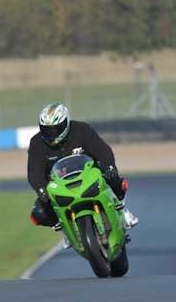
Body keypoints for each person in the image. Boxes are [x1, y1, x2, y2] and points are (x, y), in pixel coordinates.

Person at [28, 103, 138, 243]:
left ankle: (122, 210)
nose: (51, 134)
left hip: (89, 175)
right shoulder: (37, 142)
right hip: (60, 185)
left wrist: (109, 166)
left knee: (113, 177)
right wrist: (40, 188)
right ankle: (65, 229)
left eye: (56, 129)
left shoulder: (81, 130)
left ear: (66, 123)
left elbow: (102, 150)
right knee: (39, 213)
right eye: (46, 130)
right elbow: (34, 170)